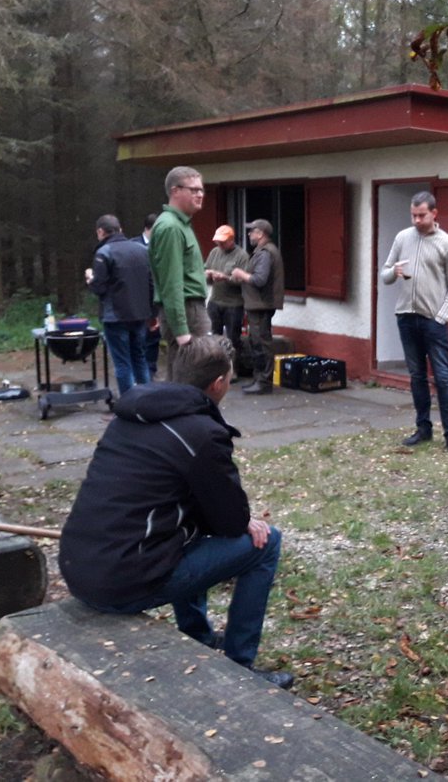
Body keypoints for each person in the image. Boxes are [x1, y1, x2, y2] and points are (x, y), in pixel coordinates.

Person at [58, 335, 291, 689]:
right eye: (229, 379)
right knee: (267, 543)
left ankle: (196, 635)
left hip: (79, 565)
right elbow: (229, 521)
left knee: (190, 530)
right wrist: (245, 521)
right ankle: (240, 667)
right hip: (120, 583)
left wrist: (224, 517)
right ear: (218, 384)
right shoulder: (201, 434)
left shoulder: (130, 414)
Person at [380, 192, 448, 457]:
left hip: (433, 321)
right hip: (406, 317)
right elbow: (384, 274)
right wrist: (393, 272)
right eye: (413, 215)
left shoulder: (447, 243)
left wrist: (442, 317)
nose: (417, 220)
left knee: (443, 378)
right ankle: (423, 428)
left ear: (434, 214)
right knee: (416, 377)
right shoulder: (403, 237)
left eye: (422, 215)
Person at [150, 167, 210, 376]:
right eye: (193, 190)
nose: (200, 194)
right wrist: (182, 332)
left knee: (191, 378)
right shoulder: (171, 227)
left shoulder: (181, 224)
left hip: (190, 309)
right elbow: (171, 284)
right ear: (175, 191)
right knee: (187, 379)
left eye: (201, 190)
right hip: (187, 310)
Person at [85, 215, 152, 395]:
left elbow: (99, 288)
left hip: (115, 316)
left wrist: (90, 279)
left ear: (100, 232)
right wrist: (152, 311)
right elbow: (151, 282)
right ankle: (147, 402)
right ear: (120, 229)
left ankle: (128, 406)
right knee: (140, 358)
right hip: (140, 313)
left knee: (123, 363)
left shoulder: (104, 253)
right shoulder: (141, 250)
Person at [233, 219, 285, 395]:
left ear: (261, 233)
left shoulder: (265, 253)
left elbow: (259, 280)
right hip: (259, 304)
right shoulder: (263, 252)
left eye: (252, 231)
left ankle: (263, 381)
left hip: (261, 304)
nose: (249, 234)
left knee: (261, 343)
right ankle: (260, 379)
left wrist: (242, 274)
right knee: (259, 342)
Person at [204, 225, 247, 364]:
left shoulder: (242, 256)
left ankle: (232, 368)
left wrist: (226, 278)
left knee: (233, 338)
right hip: (215, 301)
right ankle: (216, 366)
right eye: (218, 241)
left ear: (231, 240)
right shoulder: (214, 252)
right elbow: (205, 270)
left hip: (234, 304)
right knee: (213, 336)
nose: (219, 244)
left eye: (223, 242)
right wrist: (208, 275)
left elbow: (244, 281)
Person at [133, 213, 162, 378]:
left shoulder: (162, 246)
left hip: (156, 297)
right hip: (138, 297)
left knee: (154, 336)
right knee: (139, 336)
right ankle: (139, 368)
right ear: (148, 229)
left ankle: (151, 368)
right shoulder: (134, 245)